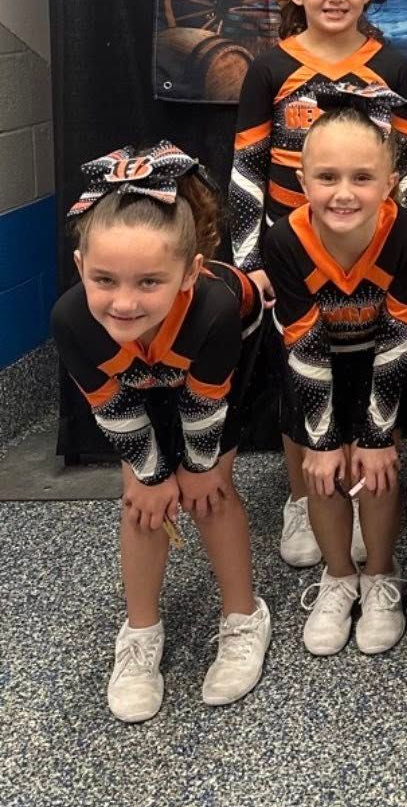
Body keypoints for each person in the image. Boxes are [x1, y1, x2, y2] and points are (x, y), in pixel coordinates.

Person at [231, 0, 407, 569]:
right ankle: (302, 496)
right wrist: (250, 259)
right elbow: (247, 165)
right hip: (291, 256)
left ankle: (371, 494)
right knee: (301, 375)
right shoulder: (270, 67)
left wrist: (406, 243)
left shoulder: (391, 66)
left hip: (373, 248)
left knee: (373, 366)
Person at [52, 141, 270, 722]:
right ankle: (140, 631)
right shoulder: (72, 319)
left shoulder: (214, 308)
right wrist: (149, 477)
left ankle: (243, 615)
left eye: (149, 281)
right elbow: (113, 408)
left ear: (189, 273)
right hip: (141, 377)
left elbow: (205, 405)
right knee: (142, 501)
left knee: (209, 492)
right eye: (104, 279)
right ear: (80, 267)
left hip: (224, 363)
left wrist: (196, 469)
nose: (123, 302)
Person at [263, 86, 407, 658]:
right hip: (313, 365)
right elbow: (304, 344)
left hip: (379, 358)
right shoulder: (284, 240)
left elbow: (399, 335)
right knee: (324, 473)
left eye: (362, 178)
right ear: (302, 181)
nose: (343, 193)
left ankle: (380, 572)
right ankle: (338, 575)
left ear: (390, 183)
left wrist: (378, 437)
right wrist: (325, 440)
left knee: (378, 472)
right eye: (327, 177)